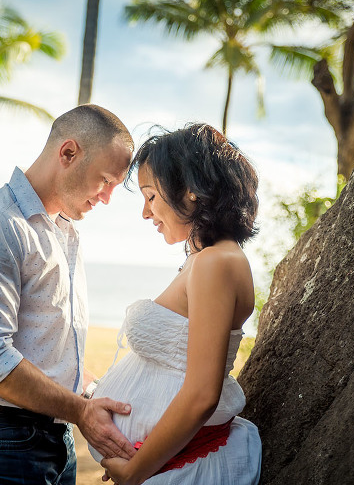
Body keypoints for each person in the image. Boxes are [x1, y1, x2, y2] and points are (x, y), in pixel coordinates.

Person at [0, 104, 138, 484]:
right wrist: (81, 412)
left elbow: (46, 353)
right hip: (2, 442)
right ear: (68, 153)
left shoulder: (61, 231)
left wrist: (102, 396)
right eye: (105, 180)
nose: (108, 198)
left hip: (53, 437)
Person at [91, 123, 262, 485]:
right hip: (172, 461)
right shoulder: (205, 259)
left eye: (151, 196)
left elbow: (202, 394)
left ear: (190, 190)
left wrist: (136, 470)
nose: (144, 213)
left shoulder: (216, 263)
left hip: (185, 465)